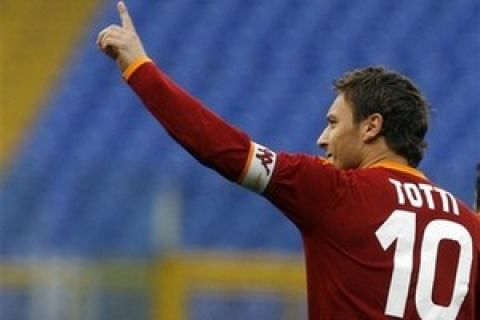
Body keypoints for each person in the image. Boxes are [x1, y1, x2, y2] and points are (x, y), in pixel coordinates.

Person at [97, 2, 479, 319]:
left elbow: (222, 148)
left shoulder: (333, 191)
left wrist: (139, 68)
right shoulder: (469, 225)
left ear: (371, 127)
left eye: (333, 123)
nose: (322, 138)